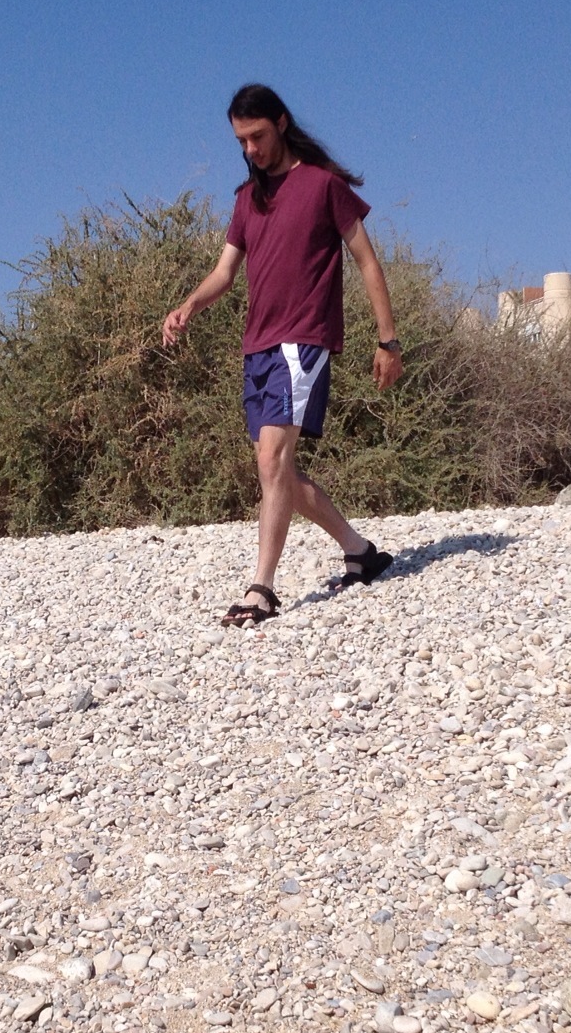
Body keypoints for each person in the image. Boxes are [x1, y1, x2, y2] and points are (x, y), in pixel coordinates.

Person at [162, 84, 403, 626]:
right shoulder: (247, 199)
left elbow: (367, 261)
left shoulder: (323, 186)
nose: (250, 149)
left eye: (258, 136)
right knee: (279, 472)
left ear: (282, 123)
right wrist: (188, 306)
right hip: (258, 346)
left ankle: (262, 590)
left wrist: (388, 341)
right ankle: (360, 552)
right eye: (241, 141)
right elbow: (225, 272)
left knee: (273, 461)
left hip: (304, 340)